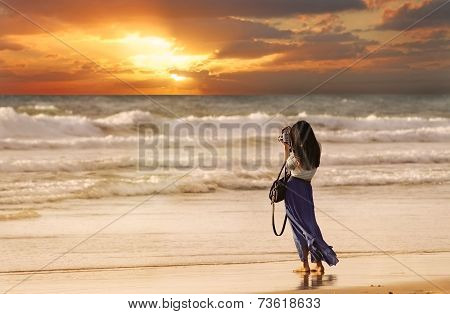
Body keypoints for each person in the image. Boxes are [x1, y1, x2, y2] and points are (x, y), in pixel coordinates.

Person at [280, 120, 339, 274]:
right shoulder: (317, 147)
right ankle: (318, 263)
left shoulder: (296, 156)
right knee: (310, 226)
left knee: (298, 228)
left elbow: (287, 166)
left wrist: (286, 147)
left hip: (293, 189)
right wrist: (293, 146)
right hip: (307, 187)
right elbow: (305, 160)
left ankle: (304, 264)